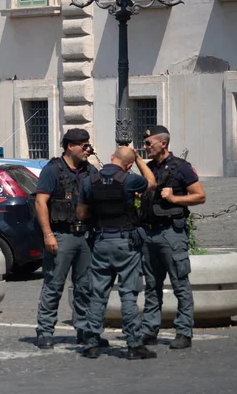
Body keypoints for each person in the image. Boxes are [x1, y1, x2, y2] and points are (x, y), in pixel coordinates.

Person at [77, 146, 157, 360]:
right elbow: (151, 181)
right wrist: (139, 159)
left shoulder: (90, 181)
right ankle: (134, 345)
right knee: (128, 294)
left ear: (111, 157)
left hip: (101, 241)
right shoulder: (129, 180)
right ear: (129, 164)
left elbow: (81, 213)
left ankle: (91, 343)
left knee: (98, 294)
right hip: (126, 242)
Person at [139, 125, 206, 350]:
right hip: (149, 234)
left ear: (163, 144)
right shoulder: (148, 169)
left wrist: (175, 198)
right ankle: (149, 330)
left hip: (171, 234)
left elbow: (200, 196)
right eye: (144, 143)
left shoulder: (182, 168)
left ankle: (184, 331)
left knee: (179, 283)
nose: (145, 146)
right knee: (151, 285)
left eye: (149, 143)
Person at [34, 128, 101, 349]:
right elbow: (40, 202)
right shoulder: (53, 170)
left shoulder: (89, 170)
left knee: (85, 286)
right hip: (61, 235)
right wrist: (48, 234)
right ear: (70, 146)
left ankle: (84, 330)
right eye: (84, 145)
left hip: (85, 237)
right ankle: (45, 331)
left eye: (88, 145)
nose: (87, 149)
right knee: (53, 284)